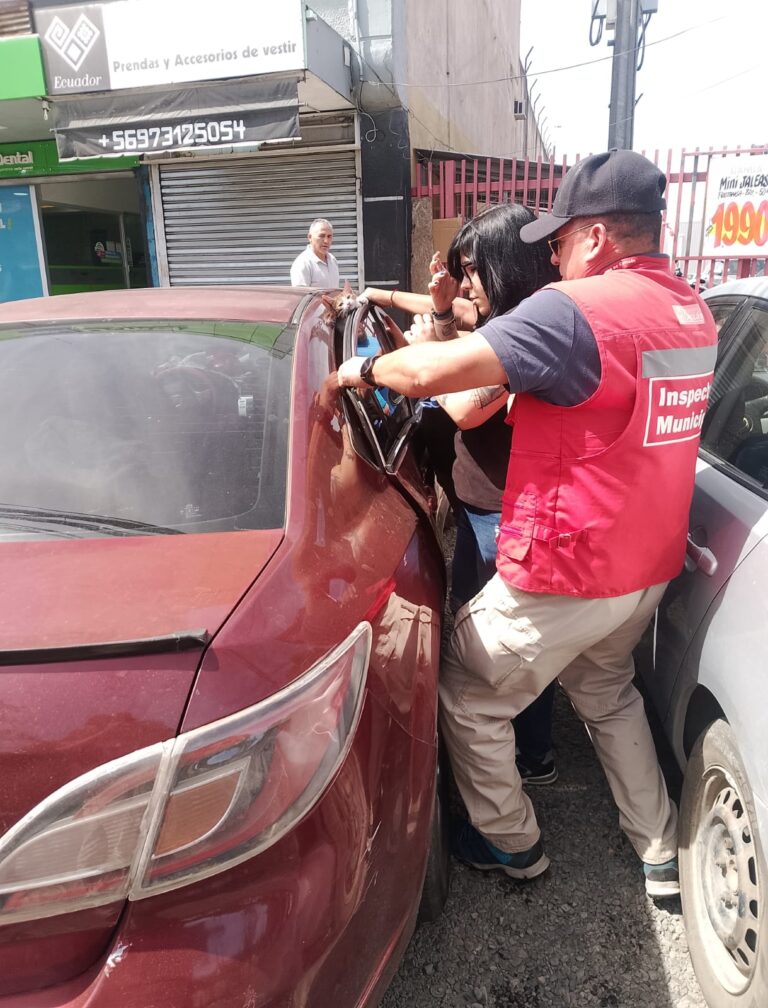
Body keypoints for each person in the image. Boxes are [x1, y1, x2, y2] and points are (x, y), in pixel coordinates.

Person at [338, 149, 718, 897]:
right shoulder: (691, 310)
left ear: (599, 236)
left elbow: (428, 378)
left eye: (560, 237)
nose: (550, 253)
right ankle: (660, 847)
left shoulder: (577, 310)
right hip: (648, 564)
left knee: (468, 692)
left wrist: (358, 372)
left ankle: (511, 843)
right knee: (608, 695)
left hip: (571, 566)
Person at [290, 219, 340, 287]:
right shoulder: (302, 263)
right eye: (321, 236)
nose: (326, 241)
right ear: (310, 237)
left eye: (329, 236)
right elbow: (301, 296)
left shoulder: (332, 260)